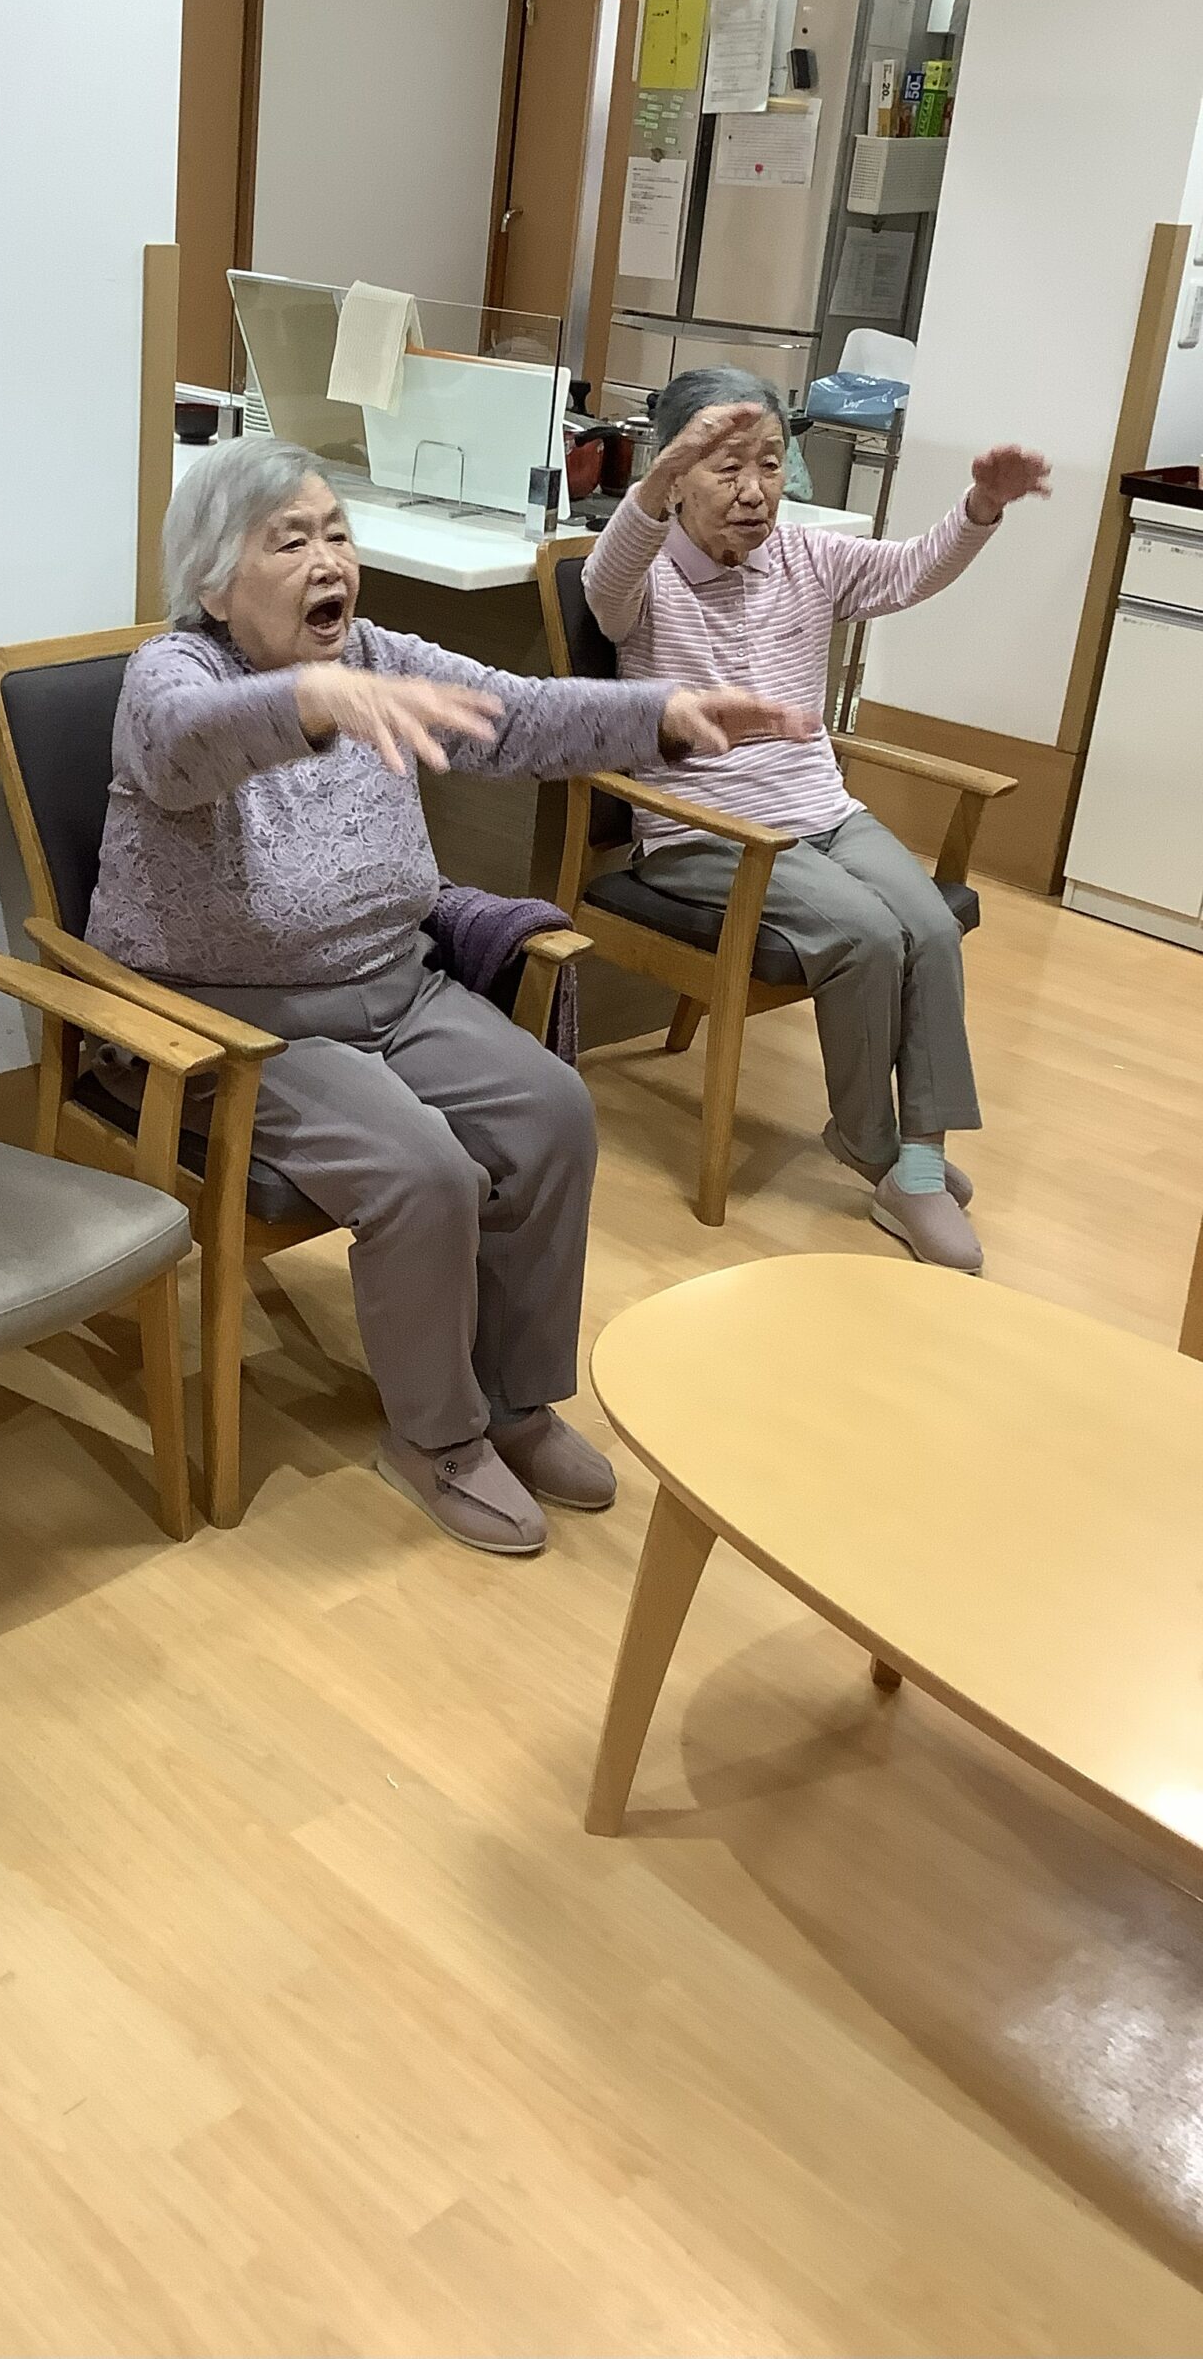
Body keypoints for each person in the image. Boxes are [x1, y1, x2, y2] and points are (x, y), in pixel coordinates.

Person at [86, 434, 811, 1556]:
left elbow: (513, 716)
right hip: (233, 1024)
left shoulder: (376, 652)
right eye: (291, 541)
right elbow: (188, 749)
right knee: (421, 1171)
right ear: (215, 584)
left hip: (396, 981)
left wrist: (661, 716)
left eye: (337, 534)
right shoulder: (172, 677)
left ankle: (514, 1403)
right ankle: (437, 1438)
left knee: (553, 1113)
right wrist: (313, 699)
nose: (329, 559)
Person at [582, 366, 1051, 1272]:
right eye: (725, 467)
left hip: (820, 812)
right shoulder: (643, 576)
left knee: (929, 927)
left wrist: (981, 507)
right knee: (866, 934)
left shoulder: (807, 557)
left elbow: (911, 570)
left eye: (770, 463)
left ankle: (921, 1161)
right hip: (704, 834)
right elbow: (605, 582)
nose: (755, 490)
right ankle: (879, 1154)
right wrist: (653, 481)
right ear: (675, 476)